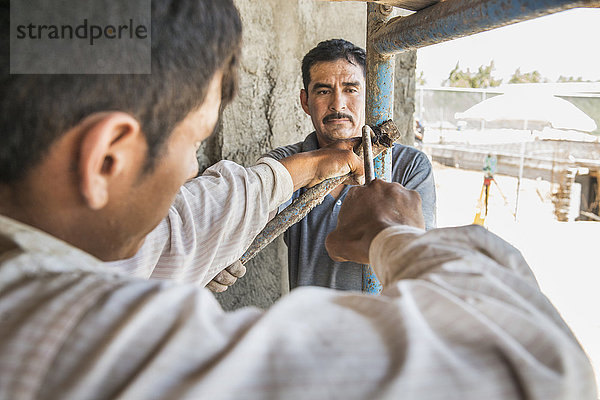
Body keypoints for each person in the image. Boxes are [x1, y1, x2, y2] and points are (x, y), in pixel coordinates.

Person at [0, 1, 596, 399]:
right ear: (107, 158)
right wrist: (395, 236)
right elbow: (531, 365)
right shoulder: (71, 341)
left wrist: (313, 168)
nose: (191, 169)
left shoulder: (398, 163)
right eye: (195, 142)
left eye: (352, 88)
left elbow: (189, 221)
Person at [265, 39, 437, 291]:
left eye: (351, 89)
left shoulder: (409, 166)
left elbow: (419, 261)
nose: (338, 104)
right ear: (305, 101)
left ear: (369, 96)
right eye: (323, 91)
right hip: (307, 328)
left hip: (381, 328)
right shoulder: (286, 162)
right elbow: (246, 220)